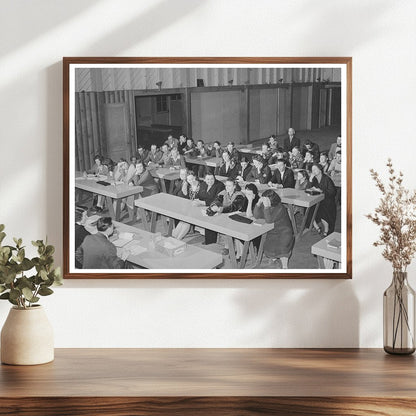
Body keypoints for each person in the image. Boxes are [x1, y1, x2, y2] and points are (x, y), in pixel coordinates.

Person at [253, 190, 294, 269]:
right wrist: (258, 204)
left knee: (282, 248)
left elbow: (269, 220)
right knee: (269, 246)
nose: (264, 200)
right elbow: (256, 216)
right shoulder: (264, 205)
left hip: (283, 231)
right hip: (271, 231)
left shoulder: (280, 208)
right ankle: (274, 258)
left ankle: (285, 266)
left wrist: (266, 207)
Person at [307, 163, 337, 236]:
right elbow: (307, 189)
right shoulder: (313, 179)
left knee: (323, 210)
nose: (313, 171)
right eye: (312, 170)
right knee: (308, 209)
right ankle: (317, 227)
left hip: (327, 200)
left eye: (315, 169)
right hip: (316, 199)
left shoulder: (326, 179)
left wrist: (321, 191)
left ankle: (326, 229)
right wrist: (310, 180)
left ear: (320, 170)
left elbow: (333, 191)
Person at [196, 173, 225, 245]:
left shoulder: (220, 185)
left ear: (214, 178)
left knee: (209, 216)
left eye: (212, 179)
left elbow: (217, 200)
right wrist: (196, 200)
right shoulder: (203, 184)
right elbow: (199, 195)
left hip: (215, 207)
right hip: (202, 206)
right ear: (205, 179)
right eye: (208, 179)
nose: (210, 181)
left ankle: (210, 240)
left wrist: (203, 202)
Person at [172, 172, 200, 240]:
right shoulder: (189, 186)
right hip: (190, 207)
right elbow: (184, 195)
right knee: (183, 220)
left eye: (192, 179)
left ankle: (178, 239)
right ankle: (175, 237)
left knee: (186, 220)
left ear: (195, 177)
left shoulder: (200, 186)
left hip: (199, 207)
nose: (191, 181)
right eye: (189, 180)